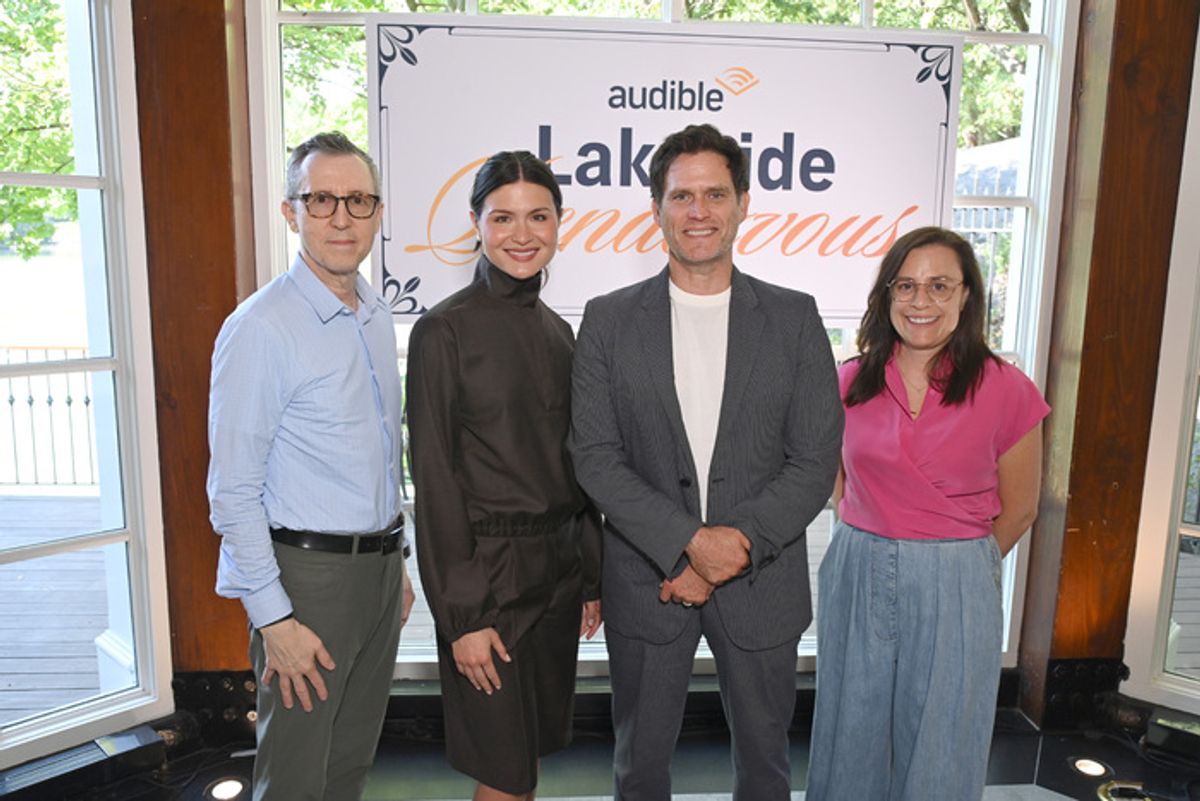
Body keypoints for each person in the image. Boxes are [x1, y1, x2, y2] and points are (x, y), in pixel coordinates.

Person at [569, 123, 844, 801]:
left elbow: (814, 459)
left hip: (763, 582)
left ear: (743, 202)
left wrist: (738, 543)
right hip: (647, 580)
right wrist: (692, 544)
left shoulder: (794, 317)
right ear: (655, 207)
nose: (699, 211)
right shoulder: (606, 320)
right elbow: (595, 458)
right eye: (682, 195)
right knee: (639, 769)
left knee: (766, 767)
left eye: (715, 193)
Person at [805, 226, 1050, 801]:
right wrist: (879, 535)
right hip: (858, 566)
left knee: (944, 734)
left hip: (958, 576)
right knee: (850, 724)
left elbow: (1021, 508)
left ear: (967, 296)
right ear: (886, 296)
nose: (921, 302)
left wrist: (956, 567)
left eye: (940, 286)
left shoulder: (1007, 389)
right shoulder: (848, 382)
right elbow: (836, 487)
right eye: (906, 286)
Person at [207, 131, 414, 801]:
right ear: (290, 211)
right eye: (321, 199)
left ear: (378, 212)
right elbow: (232, 491)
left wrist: (398, 566)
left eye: (358, 200)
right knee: (295, 781)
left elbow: (382, 459)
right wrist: (275, 620)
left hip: (378, 574)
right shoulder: (262, 327)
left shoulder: (376, 315)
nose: (342, 217)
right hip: (306, 584)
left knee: (348, 768)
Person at [405, 150, 603, 801]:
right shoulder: (442, 331)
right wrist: (462, 615)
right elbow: (433, 480)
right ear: (476, 223)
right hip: (485, 579)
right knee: (505, 771)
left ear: (558, 224)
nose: (523, 234)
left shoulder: (559, 331)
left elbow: (579, 467)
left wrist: (591, 576)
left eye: (538, 216)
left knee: (525, 767)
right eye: (504, 217)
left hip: (556, 575)